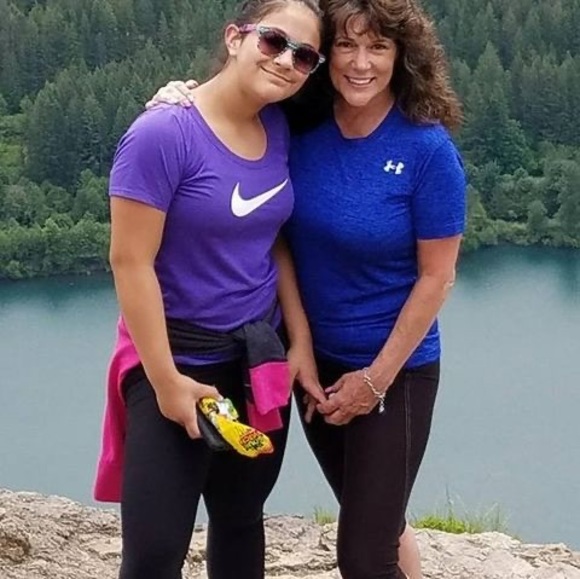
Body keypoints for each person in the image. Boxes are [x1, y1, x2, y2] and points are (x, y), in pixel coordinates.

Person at [146, 0, 466, 577]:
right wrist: (179, 98)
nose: (361, 63)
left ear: (403, 57)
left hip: (395, 371)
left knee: (364, 556)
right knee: (379, 522)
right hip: (313, 368)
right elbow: (238, 135)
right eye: (346, 45)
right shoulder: (298, 126)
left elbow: (437, 276)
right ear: (324, 58)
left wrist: (375, 380)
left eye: (379, 47)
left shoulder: (426, 149)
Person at [93, 1, 327, 578]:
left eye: (304, 56)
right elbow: (129, 262)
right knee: (153, 554)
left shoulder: (277, 126)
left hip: (255, 364)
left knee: (241, 519)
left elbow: (272, 239)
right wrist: (166, 381)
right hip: (175, 362)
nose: (286, 61)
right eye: (273, 41)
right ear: (234, 37)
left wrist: (299, 341)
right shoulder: (162, 134)